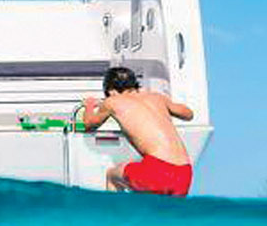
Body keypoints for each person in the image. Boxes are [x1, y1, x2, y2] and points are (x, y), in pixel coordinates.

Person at [77, 66, 195, 195]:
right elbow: (189, 115)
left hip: (158, 171)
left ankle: (113, 214)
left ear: (110, 91)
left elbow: (88, 124)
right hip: (185, 173)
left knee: (112, 175)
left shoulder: (112, 102)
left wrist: (89, 105)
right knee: (163, 210)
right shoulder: (157, 97)